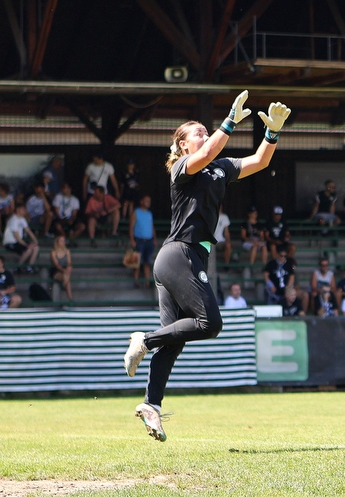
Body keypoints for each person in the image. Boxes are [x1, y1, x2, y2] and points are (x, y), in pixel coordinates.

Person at [121, 91, 291, 443]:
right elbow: (209, 151)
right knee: (209, 323)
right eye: (196, 132)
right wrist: (229, 121)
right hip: (179, 254)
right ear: (182, 146)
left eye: (204, 130)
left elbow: (259, 162)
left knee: (176, 342)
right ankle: (144, 339)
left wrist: (272, 133)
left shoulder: (220, 167)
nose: (203, 133)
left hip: (186, 257)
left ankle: (151, 405)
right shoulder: (183, 168)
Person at [3, 204, 40, 274]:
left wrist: (35, 241)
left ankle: (29, 267)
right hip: (11, 242)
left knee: (36, 247)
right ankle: (18, 266)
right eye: (23, 209)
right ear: (17, 210)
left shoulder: (22, 219)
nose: (25, 211)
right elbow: (17, 237)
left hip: (18, 242)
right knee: (28, 249)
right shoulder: (13, 220)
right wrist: (26, 245)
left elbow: (28, 230)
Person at [129, 195, 157, 284]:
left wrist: (154, 239)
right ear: (141, 201)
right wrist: (132, 240)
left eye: (149, 201)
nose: (148, 203)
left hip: (149, 240)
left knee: (147, 263)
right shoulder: (136, 212)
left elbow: (152, 227)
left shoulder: (149, 214)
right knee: (136, 262)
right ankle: (136, 281)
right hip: (139, 240)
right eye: (146, 201)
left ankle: (147, 282)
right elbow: (131, 227)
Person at [49, 234, 74, 301]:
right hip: (56, 270)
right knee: (67, 279)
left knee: (68, 269)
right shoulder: (53, 252)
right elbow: (56, 265)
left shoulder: (67, 251)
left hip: (65, 269)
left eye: (64, 241)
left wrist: (68, 268)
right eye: (61, 241)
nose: (63, 242)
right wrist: (63, 270)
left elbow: (69, 262)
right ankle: (70, 297)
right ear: (57, 242)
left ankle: (69, 297)